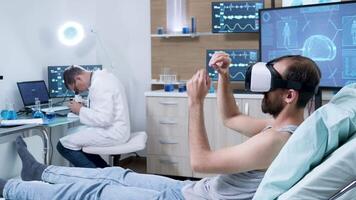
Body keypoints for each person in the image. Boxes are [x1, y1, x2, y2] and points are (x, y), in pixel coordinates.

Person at [0, 54, 321, 199]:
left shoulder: (277, 141)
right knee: (116, 174)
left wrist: (194, 103)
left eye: (270, 83)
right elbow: (231, 118)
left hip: (191, 198)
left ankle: (10, 189)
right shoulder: (283, 129)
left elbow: (201, 163)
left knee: (95, 192)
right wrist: (224, 78)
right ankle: (41, 172)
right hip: (191, 192)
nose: (262, 89)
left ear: (289, 95)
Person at [57, 65, 131, 168]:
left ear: (78, 78)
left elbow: (104, 119)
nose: (78, 92)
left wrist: (80, 110)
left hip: (113, 132)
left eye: (76, 90)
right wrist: (85, 107)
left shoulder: (99, 84)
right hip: (117, 129)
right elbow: (104, 108)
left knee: (63, 145)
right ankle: (106, 171)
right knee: (79, 141)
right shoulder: (104, 78)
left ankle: (99, 177)